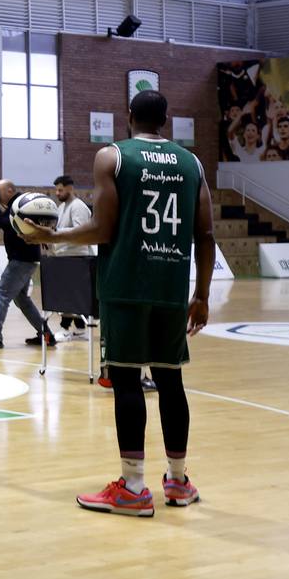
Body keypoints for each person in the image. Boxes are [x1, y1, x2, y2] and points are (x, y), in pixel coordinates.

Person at [26, 91, 212, 516]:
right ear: (166, 120)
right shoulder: (193, 164)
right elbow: (205, 236)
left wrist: (53, 238)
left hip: (126, 285)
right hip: (170, 288)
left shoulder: (113, 157)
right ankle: (179, 482)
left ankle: (132, 487)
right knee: (170, 382)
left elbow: (103, 228)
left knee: (126, 383)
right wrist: (200, 295)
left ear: (128, 117)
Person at [0, 180, 54, 349]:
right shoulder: (13, 206)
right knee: (22, 299)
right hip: (25, 259)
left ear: (9, 190)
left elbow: (3, 222)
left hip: (21, 260)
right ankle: (46, 335)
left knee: (0, 295)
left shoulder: (20, 204)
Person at [48, 175, 96, 339]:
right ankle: (80, 328)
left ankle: (65, 327)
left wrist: (55, 234)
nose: (57, 192)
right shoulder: (62, 208)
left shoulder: (78, 207)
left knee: (70, 295)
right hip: (65, 257)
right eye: (56, 189)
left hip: (78, 258)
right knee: (71, 295)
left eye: (60, 189)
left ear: (70, 188)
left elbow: (81, 232)